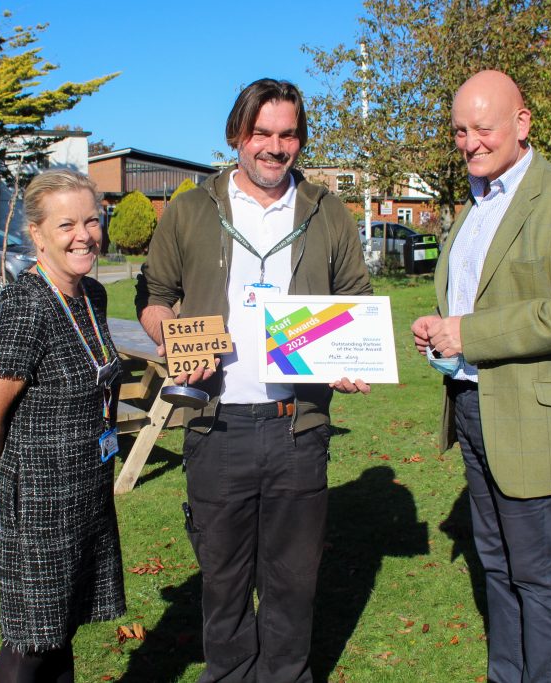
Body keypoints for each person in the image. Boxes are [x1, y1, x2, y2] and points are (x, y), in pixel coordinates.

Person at [136, 78, 372, 683]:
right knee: (223, 586)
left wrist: (348, 354)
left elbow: (356, 299)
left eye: (287, 134)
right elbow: (154, 295)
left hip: (298, 427)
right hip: (217, 427)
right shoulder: (192, 209)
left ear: (299, 140)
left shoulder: (326, 209)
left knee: (293, 587)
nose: (274, 146)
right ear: (237, 136)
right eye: (261, 133)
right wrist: (170, 336)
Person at [411, 70, 551, 682]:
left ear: (522, 124)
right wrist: (441, 333)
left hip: (535, 415)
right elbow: (473, 299)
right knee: (496, 565)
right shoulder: (473, 206)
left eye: (484, 128)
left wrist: (469, 332)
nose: (470, 142)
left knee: (540, 576)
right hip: (472, 406)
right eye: (459, 131)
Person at [0, 169, 125, 682]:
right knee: (31, 641)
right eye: (67, 225)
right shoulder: (24, 305)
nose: (85, 235)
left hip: (87, 488)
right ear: (35, 233)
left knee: (63, 629)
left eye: (92, 221)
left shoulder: (91, 296)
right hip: (38, 499)